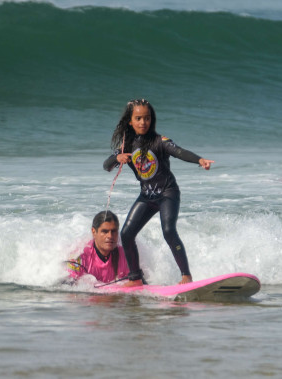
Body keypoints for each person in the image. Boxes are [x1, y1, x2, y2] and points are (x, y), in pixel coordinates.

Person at [103, 99, 214, 286]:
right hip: (147, 196)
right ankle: (135, 278)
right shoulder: (127, 145)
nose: (142, 122)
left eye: (146, 118)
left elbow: (179, 151)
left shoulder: (159, 141)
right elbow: (106, 166)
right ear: (130, 121)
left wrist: (199, 160)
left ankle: (186, 276)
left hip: (167, 193)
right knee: (127, 234)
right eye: (138, 118)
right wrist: (117, 158)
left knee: (169, 231)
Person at [67, 211, 129, 283]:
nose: (110, 236)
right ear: (94, 232)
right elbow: (67, 287)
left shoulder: (125, 255)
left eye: (114, 231)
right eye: (105, 231)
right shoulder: (79, 255)